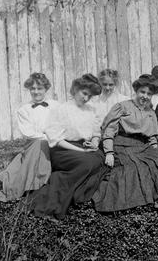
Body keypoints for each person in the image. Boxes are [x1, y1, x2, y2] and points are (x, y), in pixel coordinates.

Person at [92, 76, 158, 213]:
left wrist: (154, 151)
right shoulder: (122, 107)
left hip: (141, 146)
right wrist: (109, 152)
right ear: (136, 91)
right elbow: (108, 130)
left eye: (149, 94)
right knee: (135, 167)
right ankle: (140, 202)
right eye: (142, 92)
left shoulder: (150, 112)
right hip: (121, 144)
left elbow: (152, 136)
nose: (145, 96)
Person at [28, 74, 108, 221]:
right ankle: (54, 191)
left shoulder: (91, 110)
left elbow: (96, 133)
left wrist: (95, 143)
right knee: (88, 162)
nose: (86, 98)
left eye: (89, 96)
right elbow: (56, 139)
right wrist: (81, 151)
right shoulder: (62, 109)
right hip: (63, 150)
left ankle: (70, 186)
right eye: (84, 93)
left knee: (100, 159)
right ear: (75, 89)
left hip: (84, 147)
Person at [0, 73, 58, 202]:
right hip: (36, 144)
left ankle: (38, 183)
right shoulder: (24, 110)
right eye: (32, 89)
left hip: (56, 142)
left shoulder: (56, 106)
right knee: (39, 144)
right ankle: (30, 185)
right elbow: (29, 133)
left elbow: (61, 125)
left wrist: (53, 136)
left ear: (46, 89)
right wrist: (48, 136)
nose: (36, 92)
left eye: (39, 88)